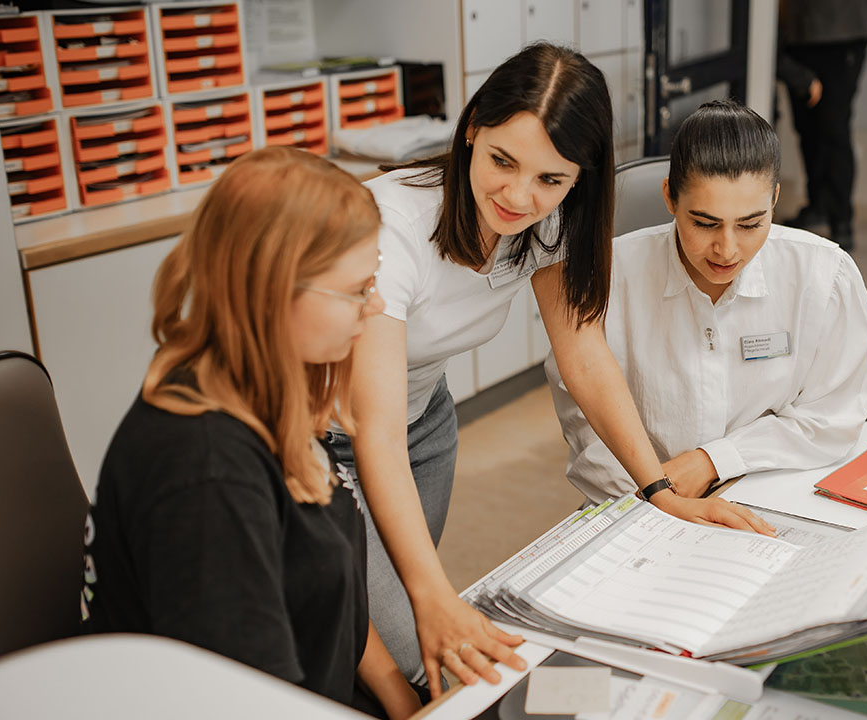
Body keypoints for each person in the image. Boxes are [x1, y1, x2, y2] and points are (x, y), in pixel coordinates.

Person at [341, 43, 776, 696]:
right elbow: (371, 431)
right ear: (470, 131)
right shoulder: (391, 227)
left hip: (423, 424)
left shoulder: (550, 222)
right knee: (398, 644)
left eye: (551, 179)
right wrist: (435, 598)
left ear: (581, 178)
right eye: (502, 162)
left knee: (390, 634)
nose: (519, 196)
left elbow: (582, 353)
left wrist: (658, 489)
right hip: (332, 437)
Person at [82, 147, 421, 718]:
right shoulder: (206, 476)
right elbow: (247, 702)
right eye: (358, 289)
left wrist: (404, 697)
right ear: (271, 292)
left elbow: (323, 589)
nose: (378, 304)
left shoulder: (268, 391)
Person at [547, 100, 867, 504]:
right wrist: (656, 500)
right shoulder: (610, 279)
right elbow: (586, 427)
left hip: (770, 495)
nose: (727, 249)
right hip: (637, 505)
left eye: (751, 224)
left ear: (774, 199)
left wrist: (713, 461)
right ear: (669, 197)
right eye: (705, 223)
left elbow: (833, 418)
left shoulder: (826, 277)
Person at [776, 0, 867, 251]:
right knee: (806, 131)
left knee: (834, 130)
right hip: (797, 36)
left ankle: (842, 220)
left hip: (841, 37)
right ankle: (818, 205)